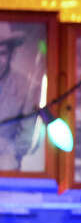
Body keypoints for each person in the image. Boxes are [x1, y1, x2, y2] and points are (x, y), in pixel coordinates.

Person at [0, 22, 42, 172]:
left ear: (11, 54)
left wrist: (8, 151)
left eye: (2, 53)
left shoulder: (27, 87)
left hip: (7, 164)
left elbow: (28, 136)